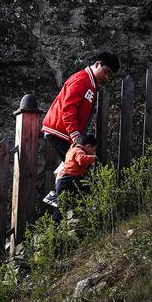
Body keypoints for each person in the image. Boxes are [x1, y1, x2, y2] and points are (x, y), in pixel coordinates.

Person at [41, 51, 119, 206]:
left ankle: (66, 202)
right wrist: (75, 135)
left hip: (65, 132)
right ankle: (62, 200)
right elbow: (68, 108)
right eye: (106, 72)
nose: (106, 77)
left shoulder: (90, 83)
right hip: (59, 130)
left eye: (109, 75)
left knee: (71, 169)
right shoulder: (81, 79)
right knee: (75, 168)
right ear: (97, 64)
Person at [51, 134, 98, 222]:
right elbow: (81, 159)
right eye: (93, 150)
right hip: (69, 179)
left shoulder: (71, 150)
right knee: (86, 190)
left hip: (62, 181)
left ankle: (55, 225)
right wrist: (93, 158)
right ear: (88, 146)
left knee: (61, 205)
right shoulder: (78, 151)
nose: (93, 152)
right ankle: (84, 213)